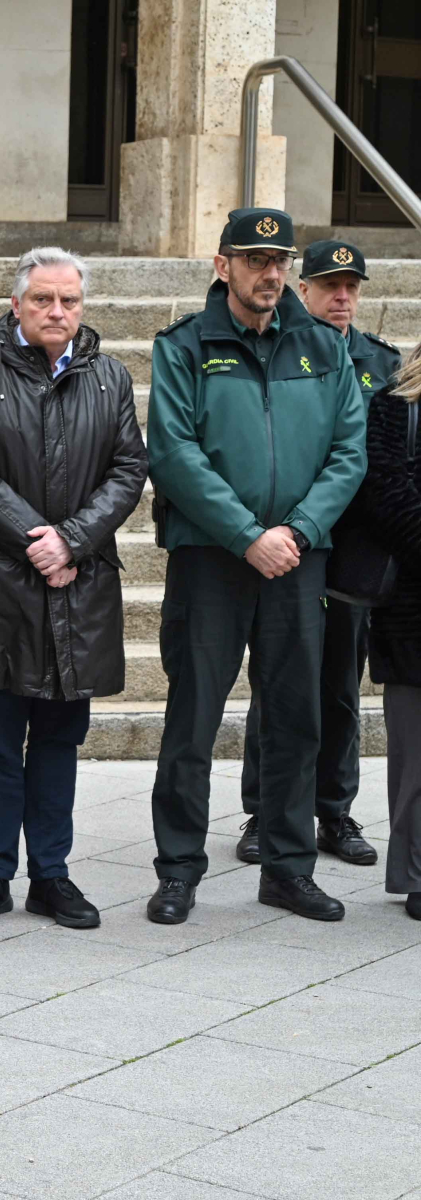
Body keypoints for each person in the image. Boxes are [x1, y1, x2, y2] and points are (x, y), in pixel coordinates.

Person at [145, 208, 366, 925]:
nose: (270, 273)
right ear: (223, 266)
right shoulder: (183, 346)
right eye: (253, 259)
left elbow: (348, 453)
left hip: (298, 562)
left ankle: (288, 869)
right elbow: (175, 455)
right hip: (213, 558)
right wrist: (247, 535)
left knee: (296, 719)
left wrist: (297, 531)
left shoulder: (323, 349)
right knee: (193, 722)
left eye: (279, 261)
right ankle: (179, 870)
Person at [0, 248, 148, 929]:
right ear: (16, 304)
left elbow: (127, 468)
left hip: (78, 588)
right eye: (43, 301)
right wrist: (40, 539)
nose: (57, 312)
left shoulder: (108, 377)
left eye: (70, 302)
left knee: (60, 738)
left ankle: (51, 875)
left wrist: (75, 541)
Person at [237, 240, 399, 869]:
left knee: (339, 687)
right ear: (302, 288)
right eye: (330, 285)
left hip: (352, 553)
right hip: (289, 545)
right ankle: (265, 810)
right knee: (276, 681)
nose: (341, 297)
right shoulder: (281, 348)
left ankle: (333, 810)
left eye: (352, 287)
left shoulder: (380, 364)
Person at [364, 347, 421, 920]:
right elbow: (383, 493)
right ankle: (418, 872)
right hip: (413, 610)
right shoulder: (395, 405)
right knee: (417, 757)